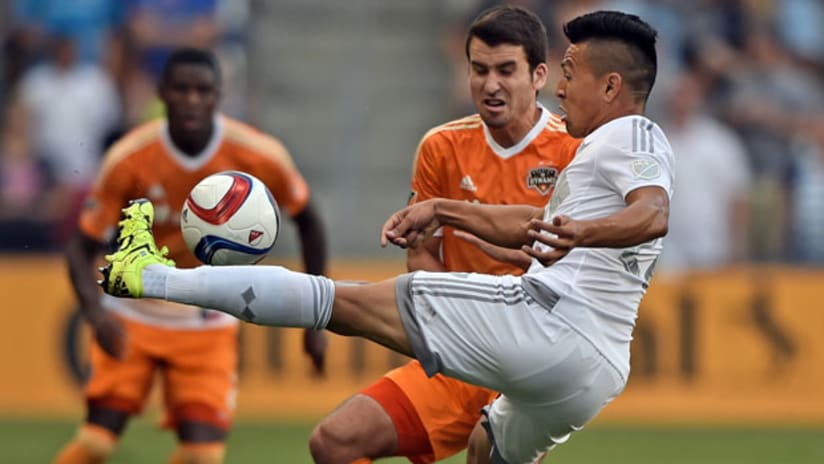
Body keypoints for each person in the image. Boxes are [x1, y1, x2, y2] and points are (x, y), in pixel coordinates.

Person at [100, 10, 673, 463]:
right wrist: (447, 210)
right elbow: (531, 224)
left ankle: (149, 274)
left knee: (338, 302)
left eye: (570, 74)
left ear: (611, 85)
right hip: (587, 368)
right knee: (486, 452)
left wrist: (583, 231)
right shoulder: (575, 151)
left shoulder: (631, 134)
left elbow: (653, 213)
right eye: (481, 69)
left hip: (542, 326)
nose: (563, 88)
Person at [308, 6, 580, 464]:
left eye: (505, 70)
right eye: (479, 69)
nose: (490, 84)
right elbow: (422, 257)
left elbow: (573, 269)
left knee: (486, 452)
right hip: (462, 349)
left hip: (532, 359)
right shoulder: (441, 147)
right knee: (334, 443)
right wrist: (457, 323)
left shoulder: (573, 150)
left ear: (538, 76)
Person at [52, 48, 328, 464]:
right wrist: (95, 314)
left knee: (203, 455)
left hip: (207, 318)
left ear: (219, 95)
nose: (192, 99)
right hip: (134, 314)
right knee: (96, 444)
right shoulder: (130, 158)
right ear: (162, 93)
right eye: (181, 89)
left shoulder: (257, 155)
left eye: (203, 90)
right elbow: (81, 246)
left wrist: (315, 318)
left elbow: (309, 220)